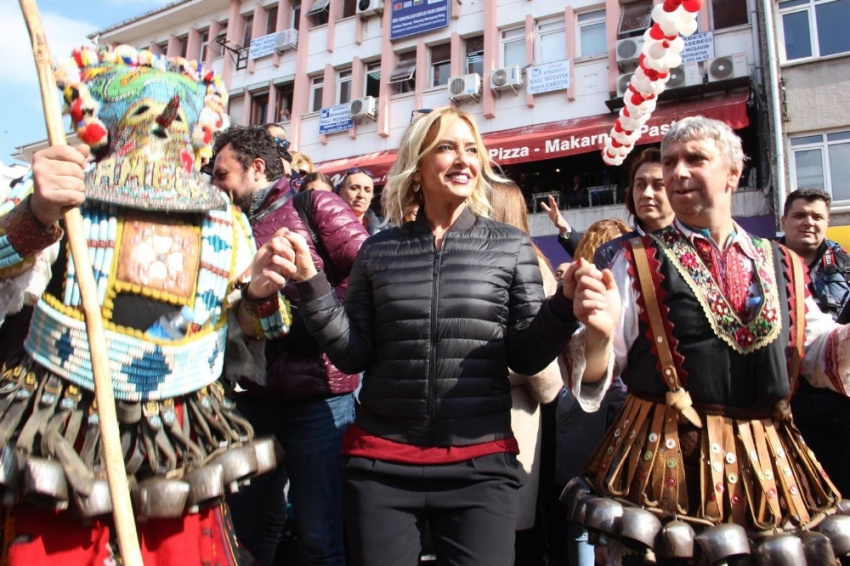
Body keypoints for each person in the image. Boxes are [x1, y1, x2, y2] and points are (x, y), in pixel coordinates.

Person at [0, 44, 295, 565]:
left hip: (180, 431)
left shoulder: (226, 223)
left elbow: (247, 332)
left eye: (175, 116)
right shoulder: (65, 196)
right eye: (147, 114)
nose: (164, 123)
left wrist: (259, 296)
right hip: (62, 422)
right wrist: (37, 211)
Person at [280, 106, 584, 566]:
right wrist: (312, 284)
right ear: (417, 164)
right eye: (447, 147)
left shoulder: (510, 244)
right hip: (383, 465)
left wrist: (562, 305)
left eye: (471, 149)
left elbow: (524, 355)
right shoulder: (378, 250)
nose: (463, 159)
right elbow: (352, 354)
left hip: (480, 463)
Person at [565, 116, 848, 564]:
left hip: (768, 467)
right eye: (670, 160)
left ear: (733, 173)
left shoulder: (782, 262)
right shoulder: (633, 259)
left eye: (695, 159)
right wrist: (597, 335)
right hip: (663, 466)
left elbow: (817, 352)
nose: (677, 172)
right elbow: (595, 374)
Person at [212, 126, 368, 566]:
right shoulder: (224, 224)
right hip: (252, 399)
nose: (215, 184)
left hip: (318, 400)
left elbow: (371, 270)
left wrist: (317, 312)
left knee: (319, 537)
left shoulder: (313, 204)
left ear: (256, 168)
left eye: (222, 174)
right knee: (245, 532)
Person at [489, 180, 564, 566]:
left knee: (514, 532)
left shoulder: (527, 263)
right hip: (505, 407)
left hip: (517, 412)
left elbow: (542, 362)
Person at [779, 188, 850, 496]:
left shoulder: (846, 266)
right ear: (783, 220)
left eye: (817, 216)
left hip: (839, 400)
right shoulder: (759, 263)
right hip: (781, 399)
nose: (808, 222)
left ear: (828, 221)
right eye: (799, 215)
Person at [592, 147, 674, 270]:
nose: (647, 194)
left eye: (658, 185)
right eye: (640, 185)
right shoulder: (610, 253)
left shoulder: (701, 244)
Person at [335, 167, 387, 236]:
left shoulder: (386, 229)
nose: (361, 195)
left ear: (372, 196)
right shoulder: (328, 226)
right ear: (341, 193)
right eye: (354, 188)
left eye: (367, 190)